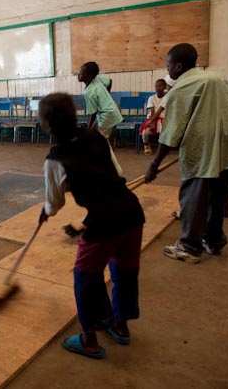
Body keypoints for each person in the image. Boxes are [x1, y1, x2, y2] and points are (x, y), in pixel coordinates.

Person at [38, 92, 145, 360]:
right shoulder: (96, 136)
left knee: (86, 277)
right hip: (132, 214)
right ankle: (120, 325)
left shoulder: (54, 159)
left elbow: (55, 203)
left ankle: (89, 340)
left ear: (48, 126)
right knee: (125, 271)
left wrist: (45, 211)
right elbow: (119, 175)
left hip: (104, 223)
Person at [145, 43, 228, 263]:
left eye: (169, 66)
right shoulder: (217, 78)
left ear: (179, 66)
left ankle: (189, 247)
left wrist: (154, 165)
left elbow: (170, 135)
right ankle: (213, 242)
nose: (168, 71)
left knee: (194, 198)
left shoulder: (180, 89)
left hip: (202, 151)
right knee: (218, 197)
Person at [78, 62, 123, 141]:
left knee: (102, 142)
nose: (78, 75)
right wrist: (106, 96)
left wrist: (89, 128)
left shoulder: (89, 92)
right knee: (104, 141)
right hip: (112, 112)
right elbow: (110, 81)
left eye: (81, 73)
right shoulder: (96, 78)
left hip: (106, 116)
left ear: (89, 76)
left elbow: (93, 113)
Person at [138, 79, 168, 155]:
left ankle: (162, 148)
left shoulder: (167, 98)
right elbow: (152, 111)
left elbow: (159, 111)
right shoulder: (151, 98)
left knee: (163, 131)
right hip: (152, 117)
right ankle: (146, 145)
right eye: (156, 86)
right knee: (145, 132)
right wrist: (152, 122)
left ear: (164, 87)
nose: (158, 88)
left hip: (162, 118)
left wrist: (152, 121)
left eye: (160, 86)